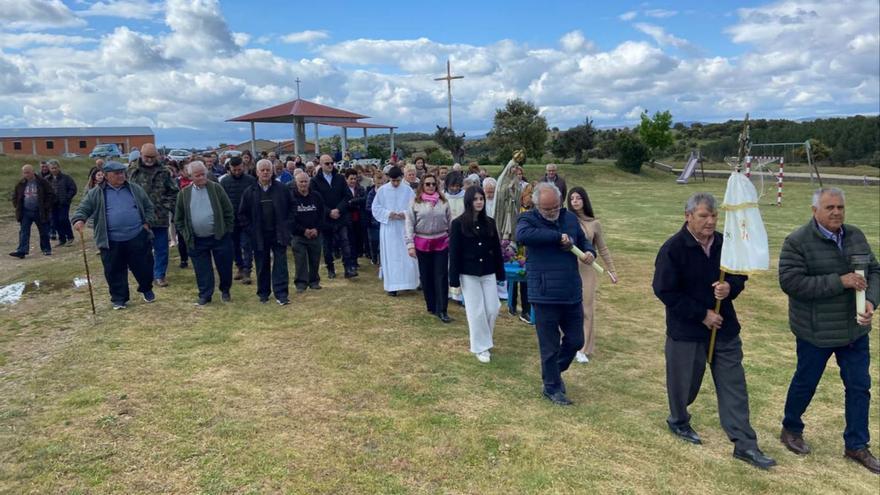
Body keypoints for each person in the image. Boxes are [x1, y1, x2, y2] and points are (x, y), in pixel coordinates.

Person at [652, 192, 776, 470]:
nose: (710, 222)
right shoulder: (673, 249)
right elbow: (664, 290)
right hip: (686, 331)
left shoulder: (725, 243)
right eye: (703, 216)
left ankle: (745, 444)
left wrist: (730, 287)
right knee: (684, 386)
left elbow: (739, 273)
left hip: (725, 329)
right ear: (688, 216)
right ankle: (679, 420)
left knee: (734, 386)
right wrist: (702, 314)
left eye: (713, 216)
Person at [778, 187, 879, 474]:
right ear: (815, 211)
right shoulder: (797, 241)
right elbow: (791, 283)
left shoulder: (856, 235)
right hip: (815, 331)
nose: (836, 212)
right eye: (829, 207)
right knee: (805, 382)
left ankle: (857, 445)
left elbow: (874, 271)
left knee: (860, 387)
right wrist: (840, 281)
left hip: (855, 331)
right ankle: (791, 428)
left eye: (840, 207)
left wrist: (871, 300)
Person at [516, 182, 596, 406]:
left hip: (571, 290)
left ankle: (553, 372)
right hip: (543, 293)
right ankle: (552, 387)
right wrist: (557, 237)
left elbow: (583, 241)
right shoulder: (528, 219)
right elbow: (522, 236)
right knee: (549, 344)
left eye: (555, 208)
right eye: (546, 209)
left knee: (576, 339)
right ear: (536, 205)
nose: (551, 213)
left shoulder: (569, 218)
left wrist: (589, 252)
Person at [72, 161, 156, 310]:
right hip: (111, 239)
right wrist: (79, 219)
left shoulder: (135, 189)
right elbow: (83, 209)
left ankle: (146, 289)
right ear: (106, 176)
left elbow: (149, 207)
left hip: (137, 235)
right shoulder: (96, 193)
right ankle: (119, 298)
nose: (121, 176)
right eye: (116, 173)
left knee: (144, 266)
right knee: (114, 270)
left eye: (122, 172)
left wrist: (147, 223)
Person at [449, 186, 506, 362]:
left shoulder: (490, 222)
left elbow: (496, 249)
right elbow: (455, 252)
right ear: (469, 201)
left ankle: (484, 339)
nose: (479, 202)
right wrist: (454, 278)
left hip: (488, 271)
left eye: (481, 198)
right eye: (475, 199)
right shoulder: (458, 224)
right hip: (468, 273)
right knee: (476, 311)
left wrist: (500, 272)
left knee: (493, 308)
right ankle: (481, 347)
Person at [568, 187, 618, 363]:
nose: (575, 201)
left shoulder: (594, 224)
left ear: (584, 201)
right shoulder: (566, 220)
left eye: (578, 198)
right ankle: (567, 343)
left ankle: (584, 348)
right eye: (572, 198)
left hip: (587, 270)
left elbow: (602, 248)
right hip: (568, 269)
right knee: (567, 308)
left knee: (586, 309)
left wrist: (611, 270)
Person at [174, 161, 235, 305]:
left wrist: (227, 229)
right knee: (202, 269)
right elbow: (179, 218)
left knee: (225, 266)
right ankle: (205, 295)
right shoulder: (184, 194)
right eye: (197, 175)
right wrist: (186, 233)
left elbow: (228, 211)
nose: (201, 177)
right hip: (197, 239)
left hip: (219, 237)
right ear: (190, 176)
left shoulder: (216, 188)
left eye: (203, 174)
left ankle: (225, 290)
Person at [238, 159, 294, 305]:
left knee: (280, 264)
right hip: (259, 235)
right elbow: (242, 214)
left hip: (279, 233)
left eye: (268, 170)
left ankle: (281, 294)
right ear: (257, 172)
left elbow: (292, 208)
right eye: (262, 170)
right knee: (262, 264)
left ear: (272, 171)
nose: (265, 172)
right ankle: (263, 293)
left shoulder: (282, 189)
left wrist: (287, 225)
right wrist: (250, 230)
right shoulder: (250, 192)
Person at [128, 143, 178, 288]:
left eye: (152, 157)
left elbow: (174, 192)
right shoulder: (132, 171)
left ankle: (159, 275)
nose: (149, 160)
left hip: (159, 217)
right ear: (141, 155)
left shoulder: (164, 172)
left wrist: (165, 205)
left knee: (161, 248)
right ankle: (144, 274)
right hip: (139, 217)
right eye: (146, 157)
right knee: (141, 248)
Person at [405, 173, 452, 322]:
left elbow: (450, 221)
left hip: (441, 242)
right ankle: (431, 304)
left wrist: (452, 239)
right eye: (427, 184)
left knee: (441, 275)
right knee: (426, 275)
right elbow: (409, 224)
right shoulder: (415, 202)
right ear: (422, 186)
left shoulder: (444, 202)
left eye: (433, 184)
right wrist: (410, 245)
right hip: (422, 242)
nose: (431, 187)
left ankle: (442, 309)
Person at [372, 166, 419, 296]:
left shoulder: (408, 190)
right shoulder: (382, 190)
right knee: (391, 256)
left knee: (407, 255)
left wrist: (405, 214)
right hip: (390, 228)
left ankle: (409, 282)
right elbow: (375, 208)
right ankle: (392, 286)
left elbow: (414, 206)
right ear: (389, 179)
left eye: (398, 180)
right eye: (393, 181)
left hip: (404, 226)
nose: (396, 183)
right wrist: (388, 214)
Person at [311, 154, 356, 279]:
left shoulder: (340, 178)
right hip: (325, 218)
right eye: (327, 163)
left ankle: (348, 268)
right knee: (327, 245)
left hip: (341, 216)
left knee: (345, 242)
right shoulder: (315, 181)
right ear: (321, 164)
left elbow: (347, 196)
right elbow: (315, 200)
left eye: (332, 163)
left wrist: (338, 209)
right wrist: (329, 211)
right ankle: (330, 268)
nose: (330, 165)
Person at [220, 156, 257, 284]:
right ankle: (240, 267)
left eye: (239, 169)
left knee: (246, 245)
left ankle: (247, 270)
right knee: (234, 246)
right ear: (230, 168)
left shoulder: (251, 181)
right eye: (234, 170)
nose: (237, 172)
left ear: (243, 167)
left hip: (247, 219)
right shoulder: (224, 182)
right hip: (231, 220)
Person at [289, 170, 325, 293]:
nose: (303, 184)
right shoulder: (291, 197)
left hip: (315, 234)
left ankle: (314, 281)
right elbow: (289, 218)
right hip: (298, 236)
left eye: (305, 181)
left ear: (309, 182)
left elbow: (322, 215)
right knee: (300, 260)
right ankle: (300, 283)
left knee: (315, 259)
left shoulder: (317, 196)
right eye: (301, 182)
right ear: (296, 183)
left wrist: (317, 229)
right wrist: (303, 231)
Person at [10, 164, 55, 258]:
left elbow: (51, 194)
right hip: (25, 211)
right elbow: (15, 196)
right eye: (24, 173)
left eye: (28, 172)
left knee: (43, 231)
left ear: (32, 172)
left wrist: (46, 206)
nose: (26, 175)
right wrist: (17, 206)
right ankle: (22, 251)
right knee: (24, 232)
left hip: (39, 211)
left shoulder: (42, 182)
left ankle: (46, 249)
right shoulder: (20, 183)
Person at [45, 160, 78, 247]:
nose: (54, 170)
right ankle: (62, 239)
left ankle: (70, 237)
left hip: (63, 203)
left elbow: (73, 188)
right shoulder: (47, 179)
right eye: (52, 168)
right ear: (49, 169)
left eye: (55, 168)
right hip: (52, 204)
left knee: (63, 219)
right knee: (55, 221)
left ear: (59, 168)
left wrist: (67, 197)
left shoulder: (66, 178)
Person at [343, 169, 367, 260]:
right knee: (350, 239)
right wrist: (352, 202)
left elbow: (364, 199)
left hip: (359, 217)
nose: (353, 181)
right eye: (351, 179)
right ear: (346, 179)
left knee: (358, 238)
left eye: (355, 179)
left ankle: (357, 256)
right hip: (348, 217)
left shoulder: (360, 188)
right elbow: (345, 202)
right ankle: (351, 258)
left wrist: (353, 201)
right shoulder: (343, 190)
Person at [365, 169, 385, 265]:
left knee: (383, 243)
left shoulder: (386, 192)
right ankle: (374, 258)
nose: (380, 185)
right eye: (378, 183)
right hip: (373, 223)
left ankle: (382, 259)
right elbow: (368, 207)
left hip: (384, 222)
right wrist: (377, 211)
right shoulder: (371, 193)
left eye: (382, 183)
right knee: (374, 242)